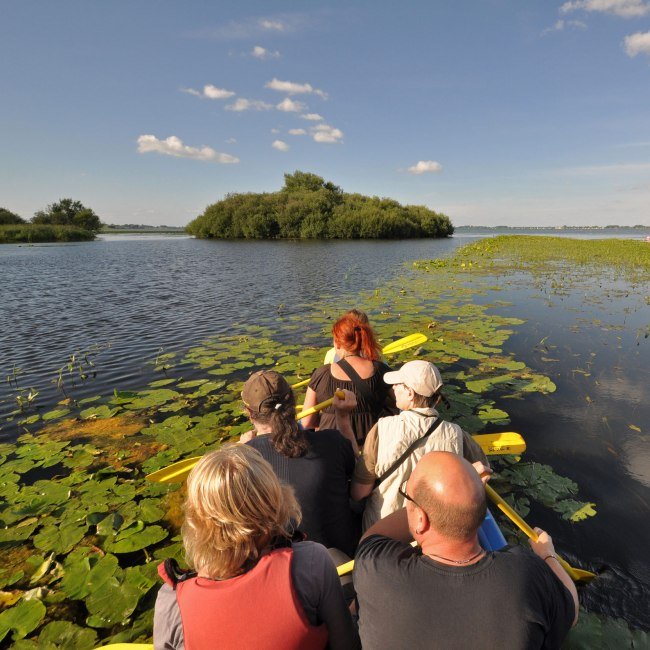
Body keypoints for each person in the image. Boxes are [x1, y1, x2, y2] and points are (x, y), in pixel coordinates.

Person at [353, 451, 579, 650]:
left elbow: (371, 538)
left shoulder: (376, 570)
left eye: (407, 498)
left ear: (420, 519)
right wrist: (548, 554)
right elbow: (572, 611)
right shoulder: (527, 573)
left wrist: (434, 502)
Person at [153, 444, 360, 650]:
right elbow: (345, 644)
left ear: (197, 521)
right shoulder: (311, 562)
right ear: (274, 503)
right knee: (339, 560)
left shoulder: (172, 602)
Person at [351, 359, 490, 531]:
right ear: (436, 400)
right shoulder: (458, 434)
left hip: (385, 531)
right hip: (436, 531)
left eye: (398, 384)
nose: (393, 388)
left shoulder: (382, 429)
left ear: (410, 392)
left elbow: (359, 493)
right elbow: (483, 472)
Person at [240, 369, 360, 556]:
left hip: (285, 566)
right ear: (293, 402)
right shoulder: (333, 441)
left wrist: (242, 452)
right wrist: (343, 418)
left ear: (249, 413)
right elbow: (357, 469)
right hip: (344, 555)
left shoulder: (243, 461)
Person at [302, 310, 397, 444]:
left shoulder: (321, 373)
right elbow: (401, 403)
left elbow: (307, 422)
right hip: (372, 445)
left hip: (333, 445)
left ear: (337, 343)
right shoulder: (380, 370)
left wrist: (327, 419)